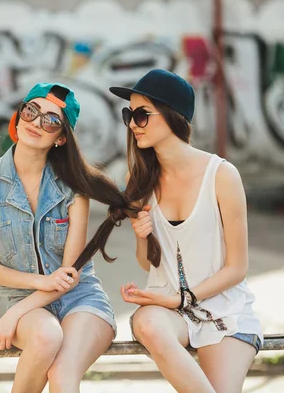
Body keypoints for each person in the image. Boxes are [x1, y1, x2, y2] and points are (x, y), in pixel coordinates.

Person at [107, 69, 263, 393]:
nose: (133, 124)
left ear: (172, 115)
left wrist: (184, 297)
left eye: (141, 115)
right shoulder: (139, 181)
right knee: (145, 321)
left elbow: (238, 268)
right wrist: (141, 236)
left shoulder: (221, 175)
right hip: (169, 313)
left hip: (224, 309)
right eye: (129, 115)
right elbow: (147, 262)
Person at [0, 82, 119, 393]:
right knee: (46, 336)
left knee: (62, 377)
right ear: (18, 116)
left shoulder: (74, 187)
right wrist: (36, 290)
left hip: (81, 300)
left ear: (61, 137)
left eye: (50, 120)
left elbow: (70, 276)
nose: (36, 122)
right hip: (26, 302)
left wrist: (13, 317)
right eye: (31, 111)